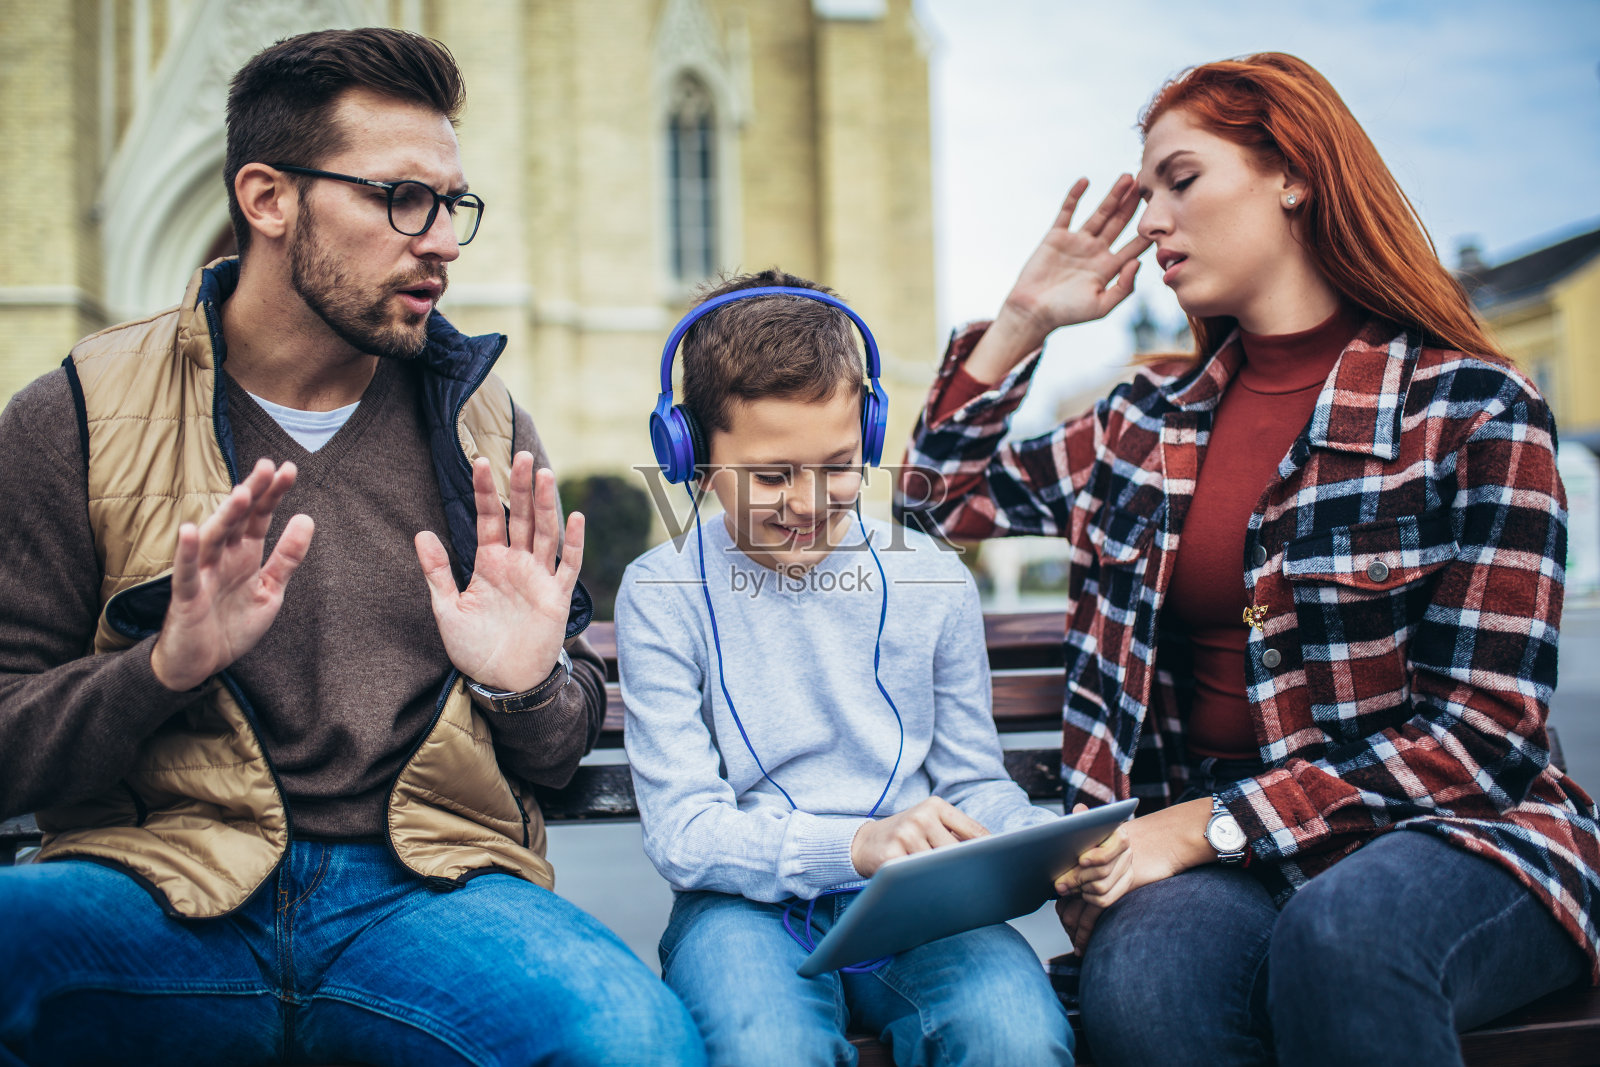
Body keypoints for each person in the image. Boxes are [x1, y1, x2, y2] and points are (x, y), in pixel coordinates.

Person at [0, 28, 702, 1067]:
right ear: (268, 199)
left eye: (452, 204)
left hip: (426, 902)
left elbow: (558, 752)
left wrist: (524, 687)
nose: (444, 241)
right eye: (402, 199)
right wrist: (160, 670)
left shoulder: (486, 427)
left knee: (633, 1039)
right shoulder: (77, 415)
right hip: (162, 885)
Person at [897, 52, 1599, 1067]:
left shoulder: (1471, 410)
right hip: (1214, 856)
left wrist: (1203, 826)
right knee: (1145, 981)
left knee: (1344, 935)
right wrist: (1023, 322)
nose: (1151, 222)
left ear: (1293, 175)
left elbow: (1483, 739)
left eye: (1180, 181)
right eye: (1145, 195)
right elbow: (932, 499)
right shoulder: (1142, 424)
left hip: (1457, 836)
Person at [615, 269, 1082, 1066]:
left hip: (919, 903)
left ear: (868, 437)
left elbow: (971, 783)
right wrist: (859, 842)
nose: (809, 502)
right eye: (773, 475)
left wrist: (1042, 841)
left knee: (1015, 1034)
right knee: (766, 1050)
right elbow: (685, 833)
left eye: (837, 466)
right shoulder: (661, 593)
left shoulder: (932, 579)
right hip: (740, 907)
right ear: (690, 454)